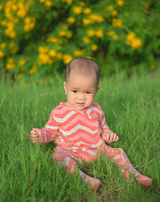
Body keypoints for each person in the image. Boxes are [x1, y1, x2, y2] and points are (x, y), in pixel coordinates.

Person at [30, 57, 152, 190]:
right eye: (75, 91)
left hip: (96, 149)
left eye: (88, 92)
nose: (81, 97)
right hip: (71, 150)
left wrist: (107, 133)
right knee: (57, 157)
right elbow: (50, 131)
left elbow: (103, 126)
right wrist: (40, 135)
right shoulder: (59, 112)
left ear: (96, 90)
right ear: (66, 88)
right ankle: (85, 180)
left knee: (119, 153)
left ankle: (133, 176)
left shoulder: (96, 109)